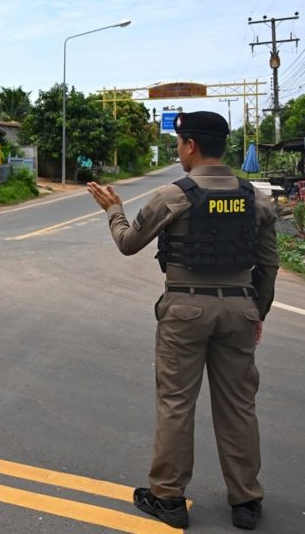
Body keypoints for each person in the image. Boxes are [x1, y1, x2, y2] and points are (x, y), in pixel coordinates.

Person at [87, 111, 278, 530]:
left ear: (190, 145)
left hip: (185, 311)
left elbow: (128, 243)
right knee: (239, 406)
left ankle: (169, 498)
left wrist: (114, 210)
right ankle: (246, 502)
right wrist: (257, 314)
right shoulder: (256, 199)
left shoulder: (173, 196)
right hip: (240, 308)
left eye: (179, 144)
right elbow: (269, 264)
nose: (178, 151)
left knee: (176, 403)